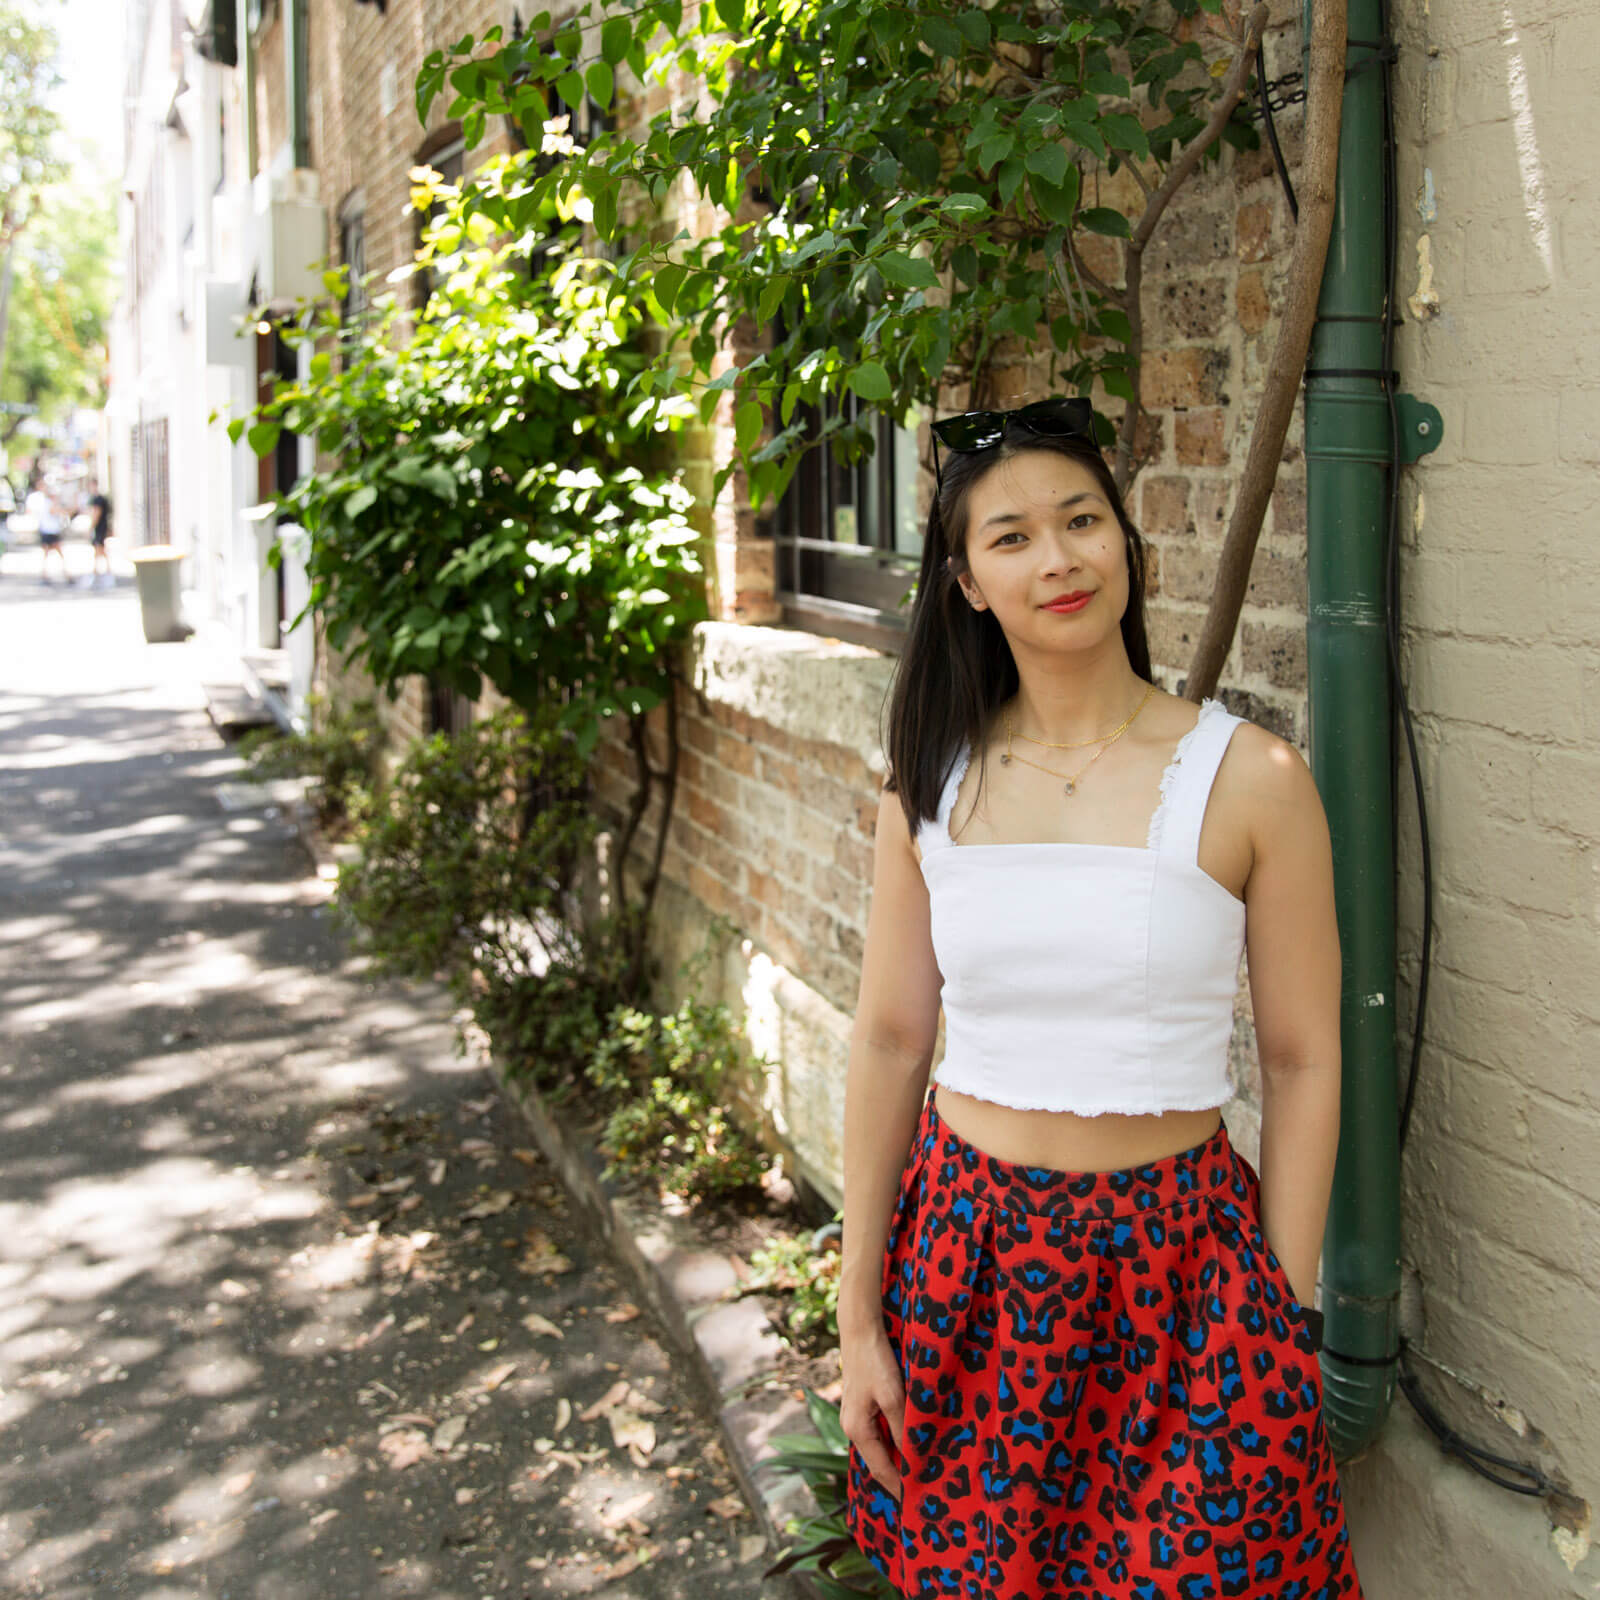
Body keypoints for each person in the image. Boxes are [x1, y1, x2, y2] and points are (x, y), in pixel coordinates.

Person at [839, 396, 1364, 1598]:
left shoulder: (1252, 778)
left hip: (1185, 1276)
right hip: (965, 1267)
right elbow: (886, 1036)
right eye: (1010, 535)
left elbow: (1300, 1056)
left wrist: (1277, 1309)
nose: (1057, 557)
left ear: (1126, 544)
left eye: (1081, 520)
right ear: (966, 582)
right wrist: (856, 1309)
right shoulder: (930, 779)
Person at [27, 476, 65, 585]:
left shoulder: (47, 500)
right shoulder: (40, 499)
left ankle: (61, 573)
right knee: (48, 552)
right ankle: (46, 574)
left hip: (52, 529)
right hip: (47, 529)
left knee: (56, 552)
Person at [85, 476, 113, 587]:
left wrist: (91, 527)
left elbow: (97, 514)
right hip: (102, 526)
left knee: (99, 548)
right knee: (99, 549)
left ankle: (102, 572)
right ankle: (99, 571)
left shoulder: (98, 499)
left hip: (100, 527)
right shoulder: (100, 498)